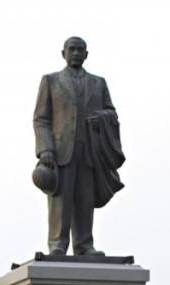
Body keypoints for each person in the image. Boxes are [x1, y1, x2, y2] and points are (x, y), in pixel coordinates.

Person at [33, 36, 119, 256]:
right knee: (60, 199)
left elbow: (111, 112)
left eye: (80, 50)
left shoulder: (98, 83)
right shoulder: (50, 81)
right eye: (72, 49)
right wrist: (46, 150)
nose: (76, 53)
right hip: (60, 152)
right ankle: (57, 244)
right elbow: (41, 119)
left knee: (85, 199)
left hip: (89, 150)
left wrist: (101, 118)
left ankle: (84, 245)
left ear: (86, 54)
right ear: (63, 53)